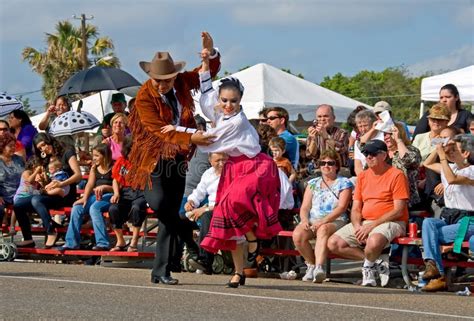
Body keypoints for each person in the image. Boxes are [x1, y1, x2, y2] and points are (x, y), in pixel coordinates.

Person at [126, 32, 220, 286]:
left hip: (178, 159)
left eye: (166, 80)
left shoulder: (179, 82)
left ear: (173, 76)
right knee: (162, 207)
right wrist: (192, 138)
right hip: (151, 161)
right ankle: (190, 244)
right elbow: (158, 131)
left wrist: (209, 54)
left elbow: (206, 75)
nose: (161, 85)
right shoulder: (144, 98)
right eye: (157, 80)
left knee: (170, 212)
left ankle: (162, 270)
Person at [197, 48, 282, 288]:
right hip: (234, 167)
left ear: (240, 101)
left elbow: (211, 139)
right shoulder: (217, 110)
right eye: (224, 100)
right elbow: (205, 88)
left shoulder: (237, 121)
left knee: (231, 203)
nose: (228, 105)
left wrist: (180, 134)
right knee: (225, 214)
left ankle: (253, 239)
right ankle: (238, 272)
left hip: (256, 167)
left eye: (233, 101)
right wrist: (204, 61)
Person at [327, 140, 409, 287]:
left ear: (384, 155)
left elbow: (398, 210)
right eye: (365, 154)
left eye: (372, 154)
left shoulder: (397, 175)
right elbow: (356, 207)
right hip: (366, 221)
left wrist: (371, 227)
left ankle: (368, 267)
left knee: (373, 241)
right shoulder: (363, 176)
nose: (368, 157)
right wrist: (358, 225)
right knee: (333, 243)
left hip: (392, 222)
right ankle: (375, 262)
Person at [420, 134, 474, 291]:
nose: (449, 153)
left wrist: (443, 156)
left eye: (453, 150)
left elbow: (451, 179)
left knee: (432, 236)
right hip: (450, 216)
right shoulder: (451, 167)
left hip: (468, 220)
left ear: (466, 153)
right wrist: (439, 148)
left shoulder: (471, 171)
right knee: (428, 222)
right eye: (448, 150)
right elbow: (427, 163)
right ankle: (435, 269)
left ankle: (439, 275)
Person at [293, 149, 353, 283]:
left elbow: (342, 207)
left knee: (323, 229)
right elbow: (305, 207)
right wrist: (304, 220)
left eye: (330, 163)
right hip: (313, 219)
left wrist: (322, 221)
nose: (326, 166)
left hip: (336, 219)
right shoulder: (312, 183)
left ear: (336, 165)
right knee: (298, 235)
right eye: (323, 163)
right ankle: (311, 264)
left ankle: (320, 267)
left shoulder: (344, 182)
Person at [14, 133, 81, 248]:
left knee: (36, 200)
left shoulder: (67, 152)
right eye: (40, 148)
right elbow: (47, 182)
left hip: (65, 194)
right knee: (18, 204)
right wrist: (41, 180)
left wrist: (62, 183)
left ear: (49, 141)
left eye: (44, 145)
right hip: (50, 193)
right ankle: (28, 239)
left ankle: (51, 231)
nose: (44, 149)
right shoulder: (46, 159)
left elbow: (78, 175)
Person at [59, 144, 114, 251]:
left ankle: (103, 243)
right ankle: (71, 242)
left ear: (105, 156)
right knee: (77, 208)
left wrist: (105, 187)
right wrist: (84, 198)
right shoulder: (95, 168)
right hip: (96, 195)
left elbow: (118, 188)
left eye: (97, 156)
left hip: (109, 195)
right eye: (93, 155)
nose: (94, 158)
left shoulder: (113, 167)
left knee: (95, 208)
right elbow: (89, 184)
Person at [184, 152, 228, 274]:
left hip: (225, 209)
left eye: (223, 160)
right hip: (211, 208)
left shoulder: (231, 174)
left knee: (206, 217)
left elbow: (227, 201)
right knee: (180, 218)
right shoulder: (208, 174)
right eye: (217, 160)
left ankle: (204, 260)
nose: (221, 163)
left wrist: (204, 209)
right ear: (210, 161)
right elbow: (199, 191)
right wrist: (192, 201)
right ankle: (193, 251)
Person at [108, 137, 148, 252]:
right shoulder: (122, 161)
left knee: (137, 207)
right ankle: (120, 240)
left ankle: (134, 241)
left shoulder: (145, 161)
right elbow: (115, 180)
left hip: (140, 191)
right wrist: (116, 193)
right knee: (113, 208)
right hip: (125, 191)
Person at [306, 104, 349, 168]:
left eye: (326, 116)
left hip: (339, 170)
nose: (322, 119)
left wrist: (326, 136)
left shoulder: (342, 133)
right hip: (319, 170)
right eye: (319, 117)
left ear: (333, 118)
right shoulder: (314, 133)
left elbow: (339, 149)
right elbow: (310, 155)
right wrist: (313, 139)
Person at [0, 133, 24, 228]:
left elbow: (26, 174)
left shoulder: (19, 159)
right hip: (3, 195)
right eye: (10, 146)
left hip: (20, 194)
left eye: (14, 145)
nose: (13, 148)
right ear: (2, 146)